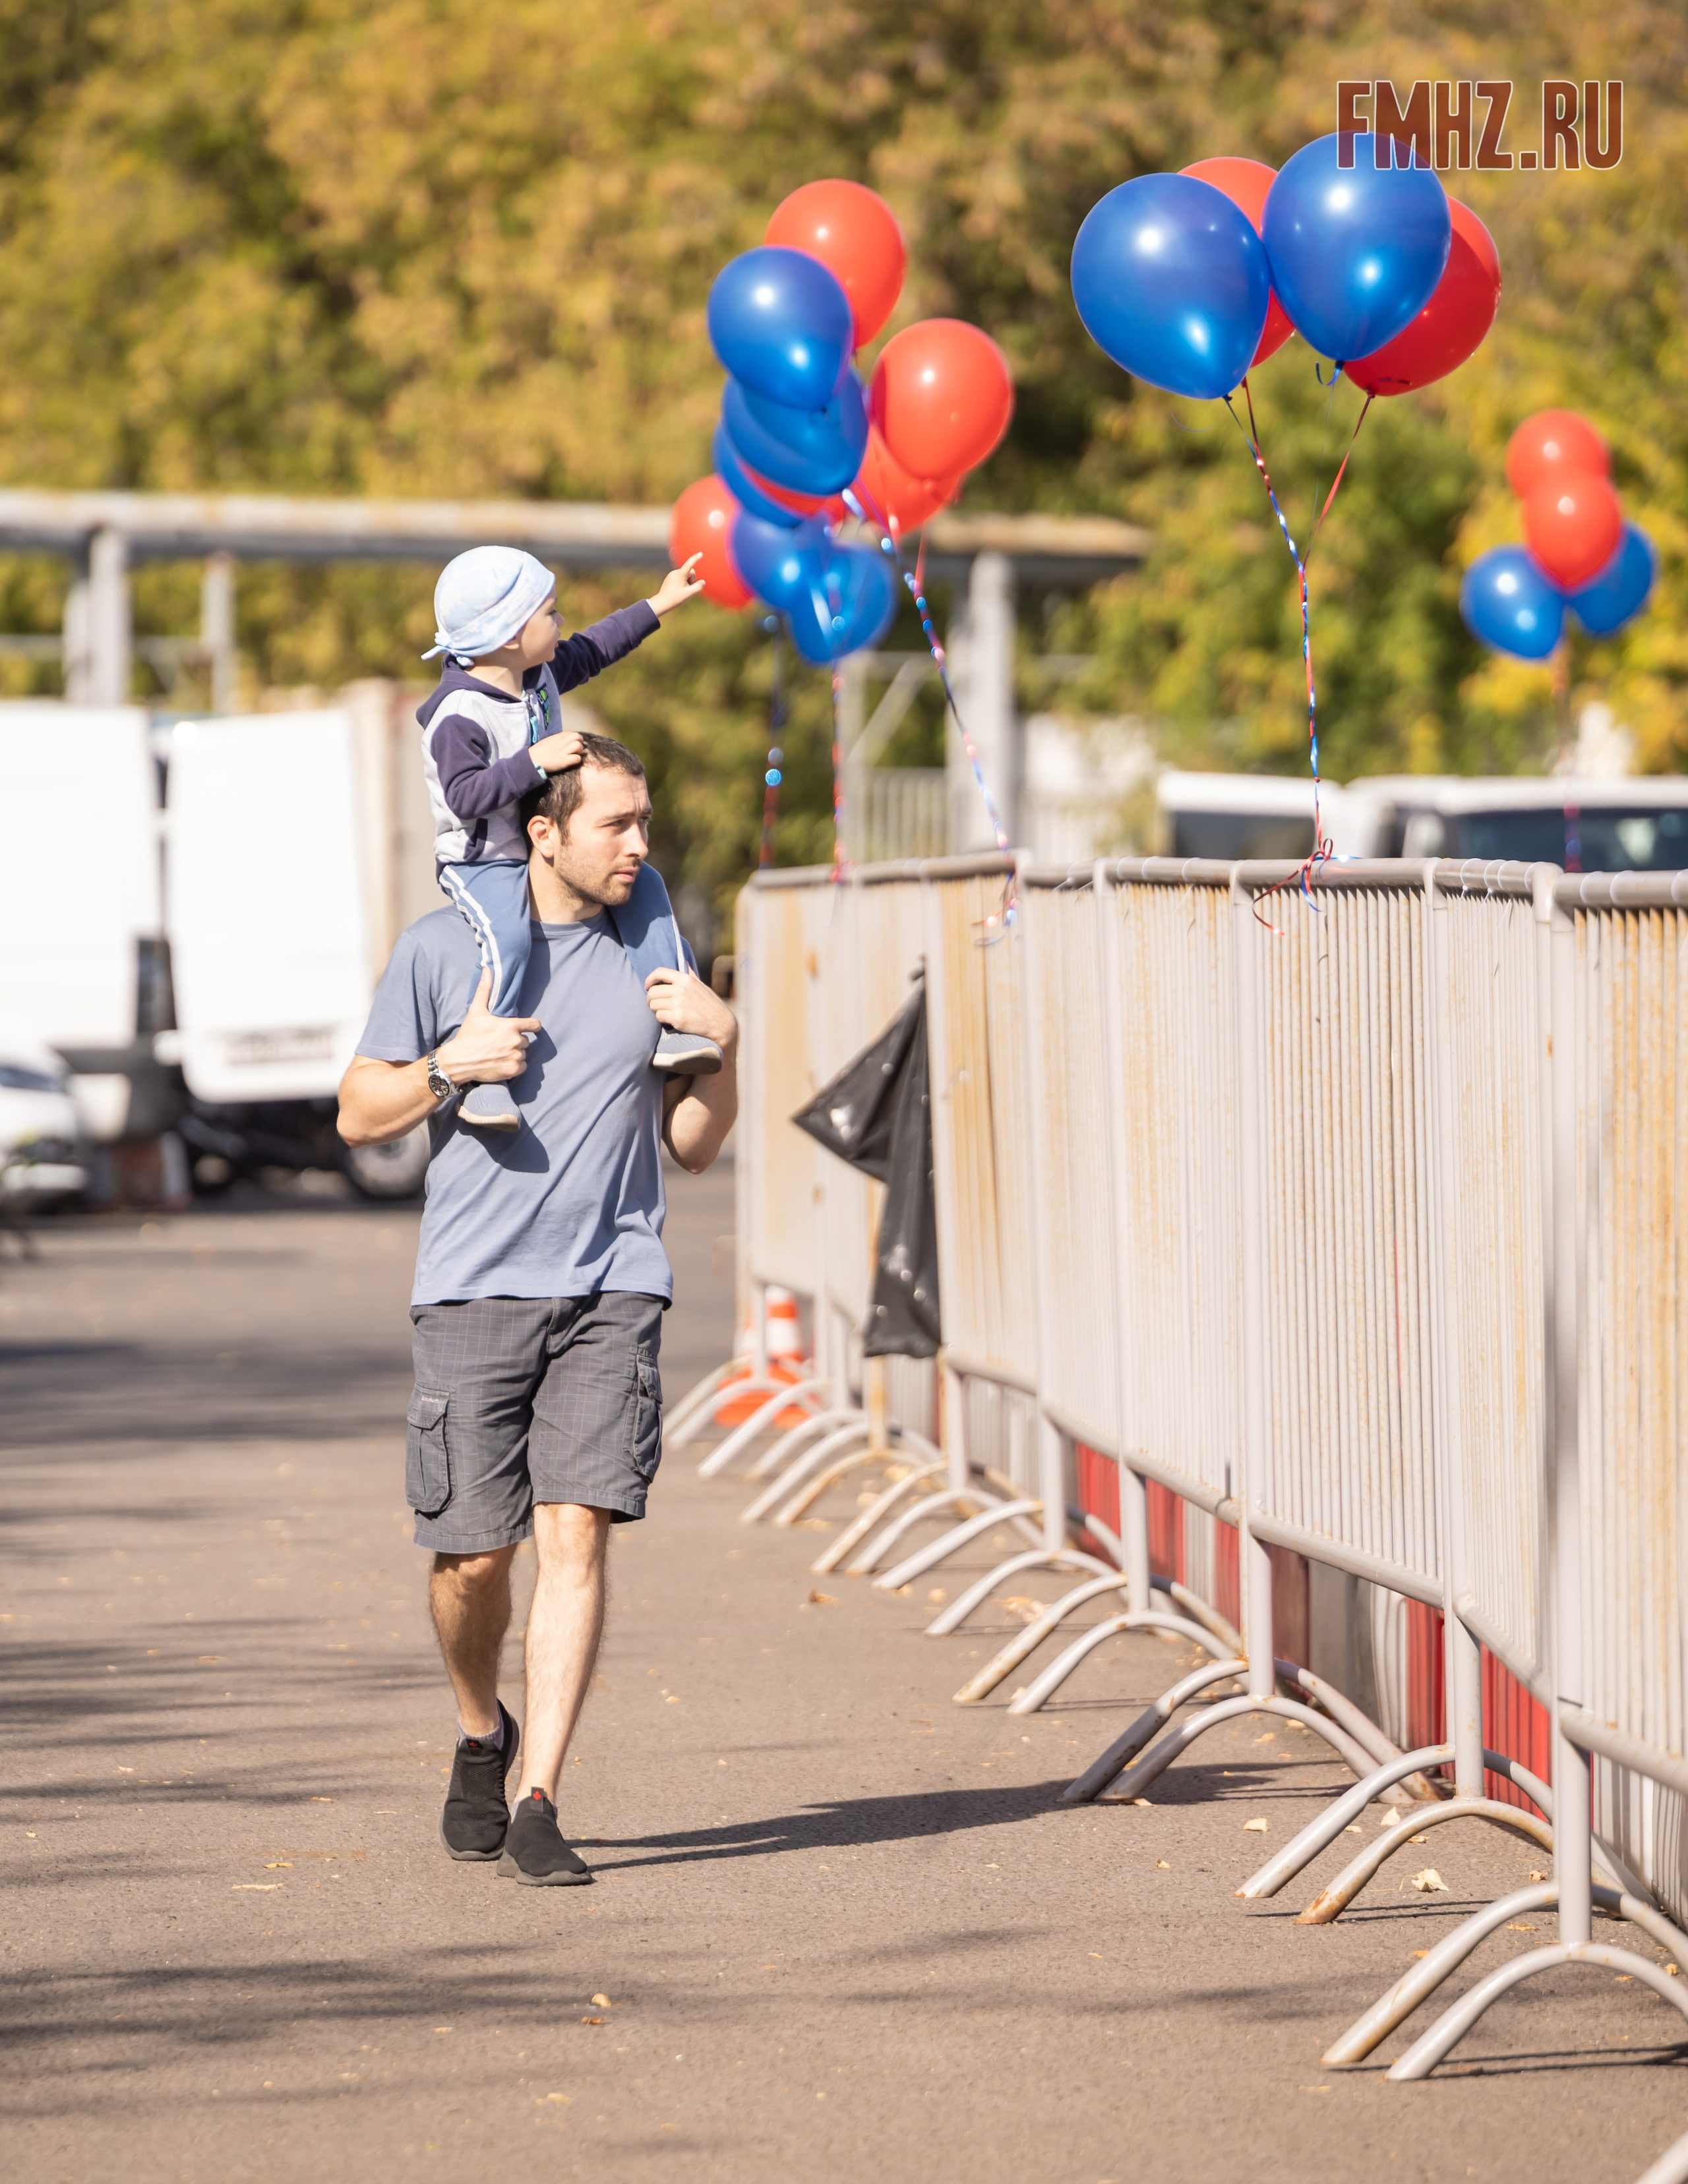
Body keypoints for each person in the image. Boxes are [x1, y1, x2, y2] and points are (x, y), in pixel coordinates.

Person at [336, 733, 738, 1885]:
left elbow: (695, 1149)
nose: (641, 846)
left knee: (578, 1533)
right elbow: (360, 1116)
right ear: (544, 832)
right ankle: (481, 1728)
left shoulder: (654, 950)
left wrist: (729, 1041)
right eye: (617, 824)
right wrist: (450, 1066)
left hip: (614, 1281)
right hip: (473, 1283)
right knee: (472, 1556)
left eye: (645, 821)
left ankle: (542, 1796)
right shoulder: (444, 949)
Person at [417, 543, 719, 1130]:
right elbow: (465, 798)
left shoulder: (538, 674)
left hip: (537, 845)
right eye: (549, 614)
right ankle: (484, 1080)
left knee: (649, 893)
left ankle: (674, 1028)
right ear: (507, 632)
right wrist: (534, 761)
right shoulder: (459, 713)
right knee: (510, 941)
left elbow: (596, 647)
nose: (562, 625)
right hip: (482, 861)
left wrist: (658, 603)